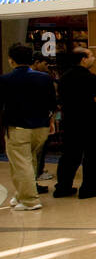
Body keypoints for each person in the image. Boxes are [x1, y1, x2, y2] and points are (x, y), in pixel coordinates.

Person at [0, 44, 57, 211]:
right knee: (29, 161)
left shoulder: (5, 80)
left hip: (18, 128)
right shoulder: (44, 78)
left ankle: (30, 200)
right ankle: (20, 194)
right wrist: (51, 121)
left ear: (11, 60)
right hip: (41, 127)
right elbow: (52, 103)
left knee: (21, 163)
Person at [53, 47, 96, 199]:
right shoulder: (91, 78)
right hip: (90, 121)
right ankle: (88, 189)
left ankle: (63, 188)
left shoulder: (64, 78)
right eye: (91, 56)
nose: (94, 59)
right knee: (94, 154)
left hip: (70, 121)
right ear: (83, 59)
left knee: (69, 155)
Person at [31, 54, 54, 182]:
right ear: (37, 62)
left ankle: (38, 170)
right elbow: (50, 100)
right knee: (39, 149)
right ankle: (37, 172)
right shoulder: (42, 79)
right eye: (45, 64)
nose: (47, 67)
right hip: (39, 120)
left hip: (33, 120)